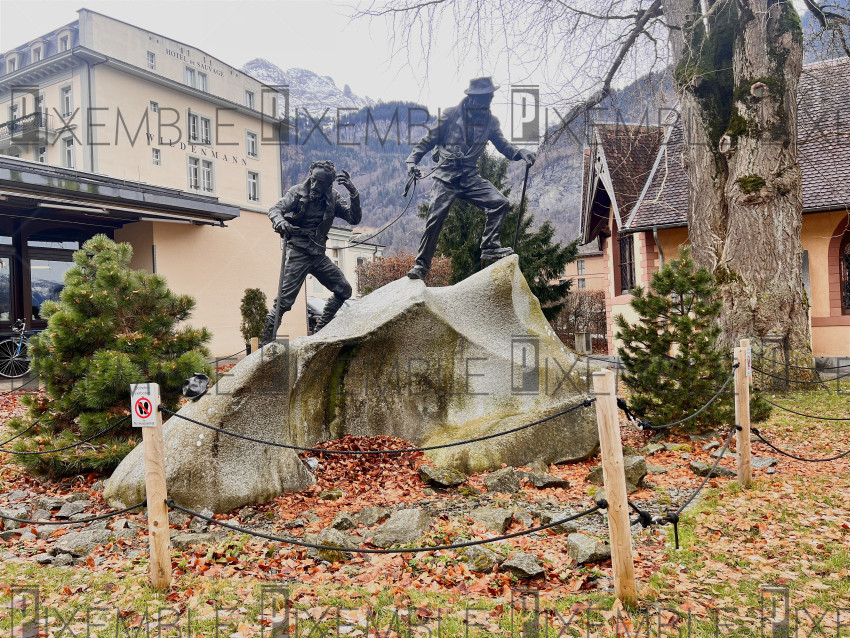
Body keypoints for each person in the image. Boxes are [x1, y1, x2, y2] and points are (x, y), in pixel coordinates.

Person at [404, 76, 536, 280]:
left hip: (470, 177)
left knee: (499, 203)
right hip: (446, 177)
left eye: (491, 96)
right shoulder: (451, 115)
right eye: (486, 97)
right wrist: (412, 161)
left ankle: (490, 246)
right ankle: (421, 266)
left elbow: (503, 146)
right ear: (474, 98)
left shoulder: (490, 122)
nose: (490, 100)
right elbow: (428, 140)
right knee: (435, 219)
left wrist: (520, 152)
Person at [262, 160, 361, 344]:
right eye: (313, 179)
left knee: (344, 289)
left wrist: (353, 193)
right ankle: (267, 344)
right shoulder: (297, 192)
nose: (315, 185)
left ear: (328, 184)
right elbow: (275, 209)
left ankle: (320, 331)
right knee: (283, 302)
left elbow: (353, 218)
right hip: (298, 252)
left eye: (320, 182)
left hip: (318, 256)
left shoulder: (334, 197)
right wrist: (280, 221)